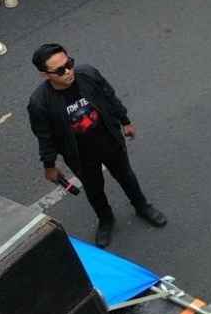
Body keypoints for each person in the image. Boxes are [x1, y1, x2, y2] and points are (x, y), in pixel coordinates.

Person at [28, 43, 167, 248]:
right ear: (44, 74)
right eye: (60, 70)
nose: (68, 72)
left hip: (110, 140)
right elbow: (44, 137)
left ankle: (142, 206)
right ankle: (106, 219)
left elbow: (110, 97)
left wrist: (125, 121)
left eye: (69, 64)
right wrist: (49, 165)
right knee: (94, 189)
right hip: (80, 155)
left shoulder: (88, 75)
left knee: (126, 176)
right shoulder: (40, 103)